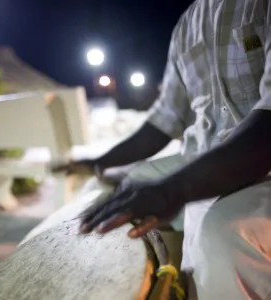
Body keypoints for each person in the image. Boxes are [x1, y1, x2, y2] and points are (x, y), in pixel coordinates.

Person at [57, 0, 271, 298]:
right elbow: (163, 121)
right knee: (130, 187)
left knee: (224, 234)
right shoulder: (187, 26)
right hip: (203, 159)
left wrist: (173, 190)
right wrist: (98, 161)